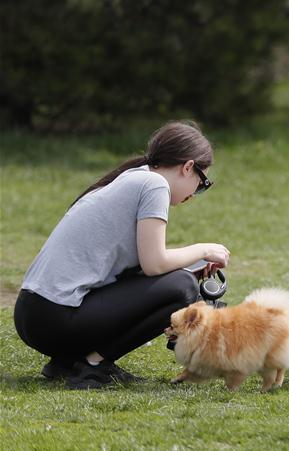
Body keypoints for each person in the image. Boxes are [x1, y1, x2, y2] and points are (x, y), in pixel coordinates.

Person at [14, 121, 230, 389]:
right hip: (54, 318)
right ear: (188, 167)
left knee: (180, 281)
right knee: (182, 287)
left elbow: (135, 270)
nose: (194, 194)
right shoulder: (154, 185)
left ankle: (67, 361)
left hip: (33, 314)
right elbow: (155, 264)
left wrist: (189, 266)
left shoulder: (133, 177)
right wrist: (204, 249)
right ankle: (93, 365)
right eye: (201, 183)